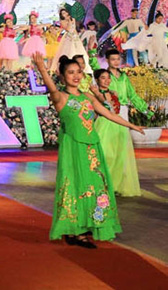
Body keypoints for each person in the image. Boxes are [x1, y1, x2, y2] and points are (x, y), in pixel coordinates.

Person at [32, 53, 143, 248]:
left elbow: (108, 114)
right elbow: (52, 88)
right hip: (73, 149)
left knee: (95, 187)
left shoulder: (87, 97)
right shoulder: (61, 97)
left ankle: (90, 223)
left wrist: (132, 126)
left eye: (78, 72)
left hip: (92, 149)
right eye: (71, 72)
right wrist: (42, 69)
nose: (76, 76)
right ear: (63, 76)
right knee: (75, 186)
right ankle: (75, 230)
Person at [90, 69, 141, 197]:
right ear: (97, 80)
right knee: (105, 155)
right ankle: (102, 185)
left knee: (119, 156)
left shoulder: (113, 92)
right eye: (103, 78)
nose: (107, 81)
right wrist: (97, 93)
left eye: (108, 78)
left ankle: (114, 185)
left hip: (118, 125)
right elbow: (105, 107)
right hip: (104, 125)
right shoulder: (94, 94)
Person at [105, 49, 151, 120]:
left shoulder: (123, 76)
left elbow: (132, 94)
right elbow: (95, 66)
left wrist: (145, 110)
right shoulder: (104, 76)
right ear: (107, 60)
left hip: (123, 109)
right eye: (113, 59)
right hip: (109, 109)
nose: (116, 62)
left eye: (118, 59)